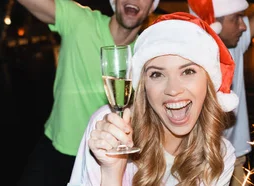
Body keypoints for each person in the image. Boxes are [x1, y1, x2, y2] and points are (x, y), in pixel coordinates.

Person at [67, 12, 240, 186]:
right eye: (157, 74)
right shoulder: (109, 128)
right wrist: (112, 173)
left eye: (188, 72)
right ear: (143, 85)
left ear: (208, 81)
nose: (173, 90)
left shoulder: (220, 156)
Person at [15, 0, 159, 185]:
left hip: (105, 157)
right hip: (55, 151)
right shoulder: (79, 20)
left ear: (152, 6)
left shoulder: (146, 53)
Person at [186, 0, 254, 185]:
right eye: (236, 18)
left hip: (235, 158)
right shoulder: (184, 58)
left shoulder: (235, 43)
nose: (243, 26)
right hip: (195, 161)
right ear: (214, 22)